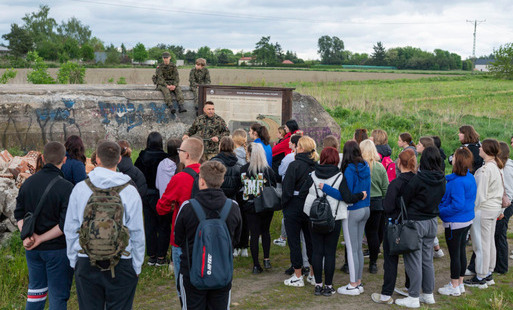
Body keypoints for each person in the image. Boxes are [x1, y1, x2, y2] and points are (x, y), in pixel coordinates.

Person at [64, 141, 145, 310]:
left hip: (86, 259)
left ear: (97, 159)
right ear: (119, 159)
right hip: (122, 260)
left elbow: (70, 228)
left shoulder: (80, 189)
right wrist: (136, 265)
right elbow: (137, 232)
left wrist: (74, 261)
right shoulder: (130, 191)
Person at [174, 160, 242, 309]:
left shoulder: (187, 207)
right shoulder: (233, 207)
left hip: (192, 273)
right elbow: (236, 239)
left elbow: (177, 239)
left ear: (201, 181)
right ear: (222, 180)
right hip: (222, 272)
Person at [15, 141, 74, 310]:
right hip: (57, 250)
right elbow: (65, 225)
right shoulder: (66, 187)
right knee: (58, 296)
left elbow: (18, 214)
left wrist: (27, 236)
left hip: (32, 249)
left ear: (42, 158)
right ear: (64, 160)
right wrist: (40, 239)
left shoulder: (28, 183)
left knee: (36, 294)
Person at [395, 146, 446, 308]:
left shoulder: (419, 179)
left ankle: (414, 296)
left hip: (415, 222)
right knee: (427, 260)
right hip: (432, 221)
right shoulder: (441, 179)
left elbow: (405, 199)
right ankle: (428, 294)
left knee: (413, 260)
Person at [321, 140, 370, 296]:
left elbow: (345, 196)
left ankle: (353, 284)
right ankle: (359, 281)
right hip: (366, 208)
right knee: (358, 249)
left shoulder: (349, 169)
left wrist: (325, 188)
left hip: (353, 210)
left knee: (351, 248)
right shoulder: (366, 166)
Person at [156, 137, 203, 295]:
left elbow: (161, 207)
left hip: (182, 237)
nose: (179, 154)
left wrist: (171, 205)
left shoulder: (180, 177)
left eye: (180, 151)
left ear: (187, 155)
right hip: (204, 235)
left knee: (183, 287)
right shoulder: (207, 175)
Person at [371, 148, 417, 305]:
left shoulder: (396, 183)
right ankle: (412, 289)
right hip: (413, 224)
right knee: (411, 258)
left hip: (395, 225)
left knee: (390, 260)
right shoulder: (417, 181)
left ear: (399, 163)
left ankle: (386, 294)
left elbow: (388, 206)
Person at [302, 147, 344, 296]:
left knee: (317, 251)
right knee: (330, 252)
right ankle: (328, 286)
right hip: (334, 216)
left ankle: (318, 284)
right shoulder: (340, 176)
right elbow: (344, 196)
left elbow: (303, 192)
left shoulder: (312, 175)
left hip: (314, 217)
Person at [464, 139, 504, 288]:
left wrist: (471, 210)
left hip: (484, 209)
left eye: (481, 147)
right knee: (489, 242)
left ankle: (480, 276)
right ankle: (487, 273)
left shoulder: (485, 170)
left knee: (480, 244)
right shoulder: (497, 166)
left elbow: (479, 195)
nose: (479, 149)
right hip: (493, 208)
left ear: (486, 150)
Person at [437, 147, 476, 297]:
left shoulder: (457, 183)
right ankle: (459, 283)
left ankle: (454, 285)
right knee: (461, 252)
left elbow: (457, 205)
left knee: (455, 255)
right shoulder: (469, 177)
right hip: (466, 220)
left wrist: (440, 211)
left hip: (455, 223)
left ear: (456, 161)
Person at [282, 136, 318, 287]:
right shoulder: (316, 166)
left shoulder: (295, 165)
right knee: (311, 241)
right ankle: (313, 274)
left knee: (294, 241)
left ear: (301, 148)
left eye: (297, 147)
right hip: (310, 205)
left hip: (294, 205)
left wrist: (283, 205)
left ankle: (298, 275)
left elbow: (287, 189)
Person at [134, 132, 171, 267]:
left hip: (146, 194)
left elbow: (137, 174)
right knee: (163, 225)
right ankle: (161, 257)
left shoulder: (142, 157)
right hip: (160, 194)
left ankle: (152, 256)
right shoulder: (165, 158)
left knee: (149, 225)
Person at [240, 142, 277, 273]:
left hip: (250, 205)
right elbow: (275, 186)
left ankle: (256, 264)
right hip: (266, 204)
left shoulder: (243, 169)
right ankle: (266, 259)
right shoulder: (268, 170)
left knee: (254, 235)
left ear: (249, 154)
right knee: (265, 231)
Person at [360, 139, 389, 274]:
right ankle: (373, 263)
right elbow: (385, 189)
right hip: (377, 203)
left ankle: (351, 263)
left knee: (357, 233)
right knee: (373, 234)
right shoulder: (380, 167)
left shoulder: (358, 167)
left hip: (360, 201)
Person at [494, 141, 513, 274]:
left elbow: (509, 193)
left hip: (506, 206)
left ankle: (502, 267)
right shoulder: (506, 165)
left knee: (500, 235)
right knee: (498, 235)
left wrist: (502, 211)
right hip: (505, 205)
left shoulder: (506, 169)